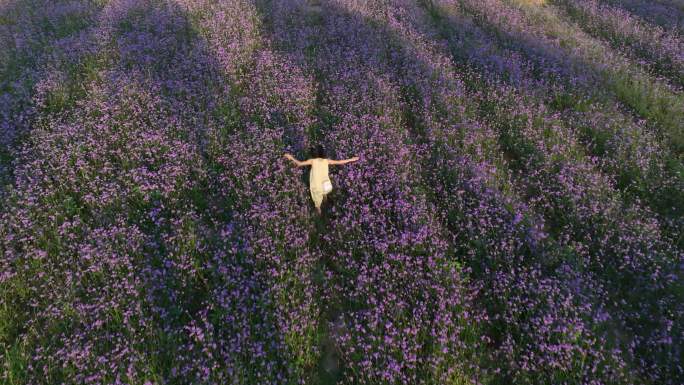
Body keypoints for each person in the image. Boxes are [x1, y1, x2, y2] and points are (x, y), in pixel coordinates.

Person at [284, 146, 360, 214]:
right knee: (324, 190)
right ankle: (325, 195)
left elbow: (299, 164)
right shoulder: (326, 161)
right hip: (327, 185)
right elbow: (340, 162)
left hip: (317, 187)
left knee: (317, 202)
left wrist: (290, 157)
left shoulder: (312, 161)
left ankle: (319, 211)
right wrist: (352, 159)